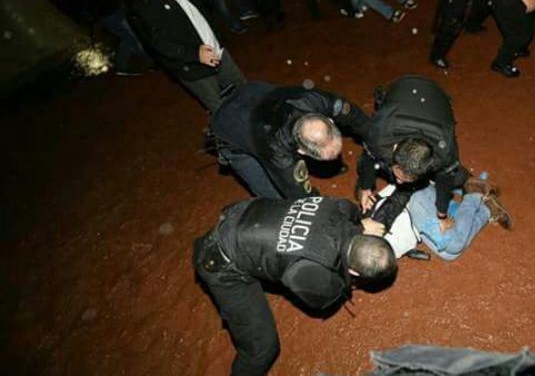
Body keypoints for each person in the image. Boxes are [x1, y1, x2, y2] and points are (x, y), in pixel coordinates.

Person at [194, 195, 396, 376]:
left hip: (242, 214)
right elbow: (320, 300)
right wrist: (342, 281)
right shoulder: (312, 270)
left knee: (276, 256)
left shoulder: (338, 207)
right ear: (355, 272)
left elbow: (350, 215)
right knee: (263, 350)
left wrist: (359, 226)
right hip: (219, 261)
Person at [122, 0, 247, 113]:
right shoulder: (138, 3)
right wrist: (194, 54)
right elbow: (158, 43)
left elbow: (193, 10)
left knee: (245, 91)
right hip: (192, 67)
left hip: (216, 48)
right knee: (223, 111)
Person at [211, 81, 369, 199]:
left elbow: (360, 121)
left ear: (330, 120)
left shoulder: (319, 100)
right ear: (300, 151)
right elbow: (304, 199)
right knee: (274, 197)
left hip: (255, 93)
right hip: (231, 127)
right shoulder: (277, 152)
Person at [357, 75, 471, 230]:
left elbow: (444, 183)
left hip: (436, 100)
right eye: (399, 176)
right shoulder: (379, 136)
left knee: (453, 176)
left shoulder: (444, 152)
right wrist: (365, 188)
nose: (399, 183)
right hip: (400, 90)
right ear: (395, 148)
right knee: (369, 163)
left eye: (405, 180)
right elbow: (367, 158)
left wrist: (442, 216)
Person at [372, 176, 511, 260]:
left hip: (411, 201)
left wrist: (436, 224)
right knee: (449, 255)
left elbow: (392, 206)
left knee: (454, 245)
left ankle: (474, 195)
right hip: (414, 219)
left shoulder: (366, 245)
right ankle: (485, 208)